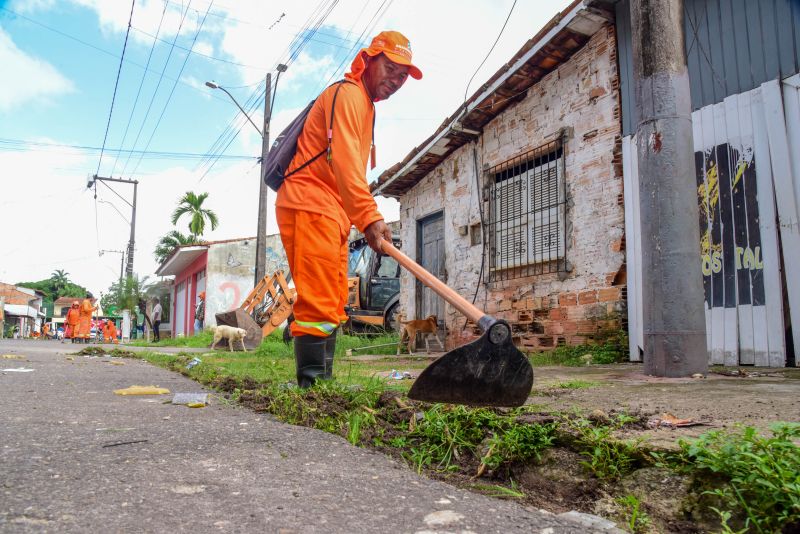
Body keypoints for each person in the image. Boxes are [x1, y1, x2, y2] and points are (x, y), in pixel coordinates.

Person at [275, 30, 421, 388]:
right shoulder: (349, 95)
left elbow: (349, 173)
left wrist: (361, 217)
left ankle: (320, 381)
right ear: (369, 60)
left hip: (331, 212)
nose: (397, 80)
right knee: (320, 299)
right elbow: (343, 163)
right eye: (391, 68)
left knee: (334, 299)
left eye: (403, 76)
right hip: (310, 202)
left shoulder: (364, 105)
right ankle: (312, 385)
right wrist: (370, 217)